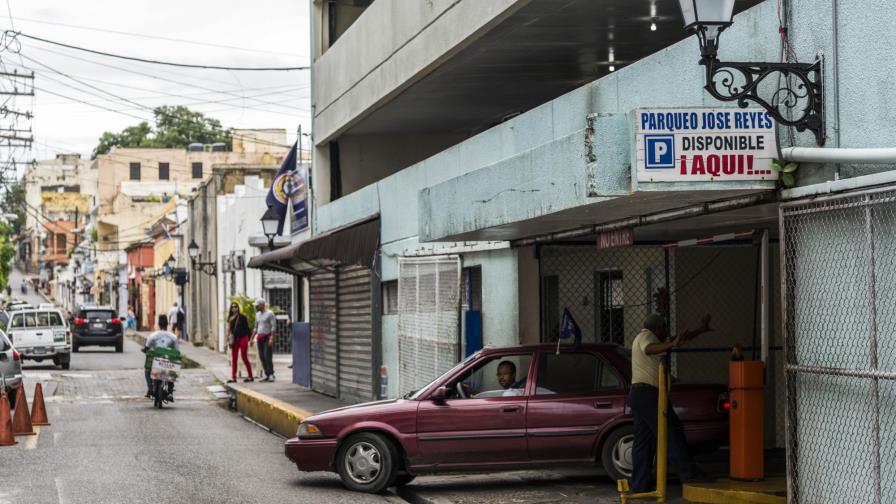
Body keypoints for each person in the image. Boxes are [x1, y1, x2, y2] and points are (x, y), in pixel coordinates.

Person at [629, 313, 713, 492]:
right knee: (672, 431)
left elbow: (676, 339)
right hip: (648, 394)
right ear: (658, 327)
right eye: (664, 328)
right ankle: (688, 473)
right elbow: (650, 348)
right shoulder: (645, 336)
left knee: (644, 442)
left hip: (639, 395)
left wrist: (700, 330)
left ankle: (639, 485)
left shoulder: (652, 338)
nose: (666, 332)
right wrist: (671, 344)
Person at [142, 314, 180, 398]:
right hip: (167, 362)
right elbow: (177, 351)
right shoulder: (173, 337)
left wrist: (145, 350)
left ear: (158, 324)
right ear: (167, 324)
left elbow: (147, 347)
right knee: (172, 370)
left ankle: (150, 386)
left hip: (155, 361)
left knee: (147, 370)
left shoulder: (152, 336)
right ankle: (170, 391)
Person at [226, 302, 254, 383]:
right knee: (234, 359)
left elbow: (247, 329)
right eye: (232, 307)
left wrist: (250, 339)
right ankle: (234, 377)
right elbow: (228, 331)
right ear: (231, 309)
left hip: (243, 338)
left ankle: (250, 376)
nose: (234, 308)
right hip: (235, 340)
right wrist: (225, 342)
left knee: (244, 357)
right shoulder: (230, 318)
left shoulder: (242, 317)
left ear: (238, 308)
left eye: (235, 306)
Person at [251, 298, 276, 382]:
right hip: (260, 338)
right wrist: (251, 339)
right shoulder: (257, 315)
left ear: (262, 305)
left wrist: (271, 338)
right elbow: (255, 327)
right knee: (262, 357)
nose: (256, 307)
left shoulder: (270, 314)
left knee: (267, 356)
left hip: (267, 337)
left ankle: (271, 374)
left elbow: (273, 326)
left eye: (257, 306)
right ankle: (267, 374)